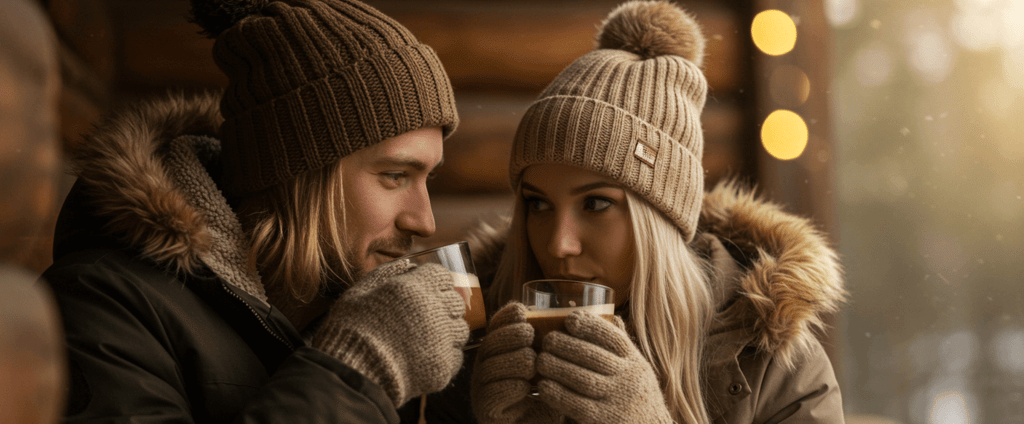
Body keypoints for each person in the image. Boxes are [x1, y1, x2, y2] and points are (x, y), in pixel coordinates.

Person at [40, 0, 469, 422]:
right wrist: (357, 372)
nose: (424, 221)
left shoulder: (351, 305)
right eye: (395, 175)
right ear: (294, 176)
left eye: (427, 179)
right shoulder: (102, 306)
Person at [468, 1, 848, 423]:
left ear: (660, 219)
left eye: (596, 203)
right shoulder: (477, 340)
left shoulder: (778, 365)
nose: (559, 243)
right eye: (538, 204)